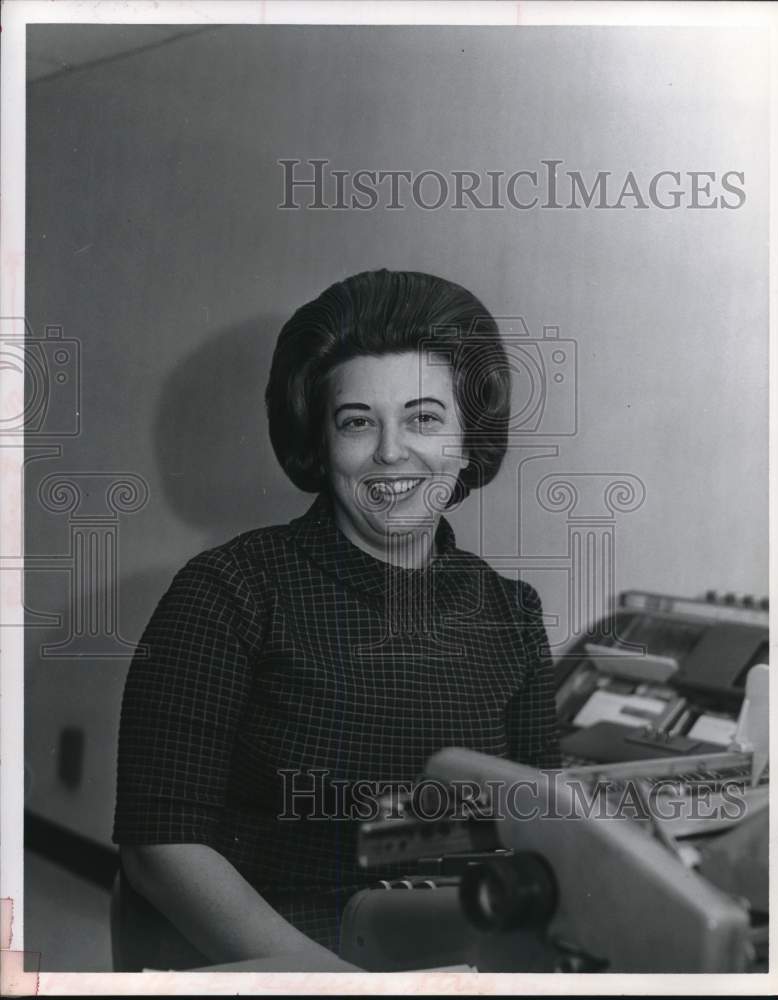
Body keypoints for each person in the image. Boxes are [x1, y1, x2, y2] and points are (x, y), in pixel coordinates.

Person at [113, 269, 561, 971]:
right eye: (357, 422)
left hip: (452, 957)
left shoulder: (512, 613)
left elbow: (540, 831)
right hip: (275, 965)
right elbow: (159, 848)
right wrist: (337, 985)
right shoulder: (229, 591)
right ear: (320, 446)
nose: (390, 452)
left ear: (470, 442)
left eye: (423, 418)